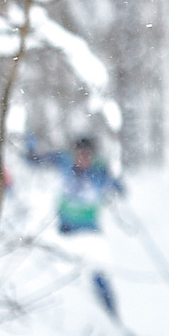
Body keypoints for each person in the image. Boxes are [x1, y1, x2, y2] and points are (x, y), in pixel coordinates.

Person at [55, 135, 124, 320]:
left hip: (90, 232)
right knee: (67, 277)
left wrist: (114, 181)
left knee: (99, 275)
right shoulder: (65, 164)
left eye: (87, 155)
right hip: (65, 231)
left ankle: (112, 320)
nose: (83, 159)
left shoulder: (99, 172)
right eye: (80, 154)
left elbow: (121, 189)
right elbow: (37, 159)